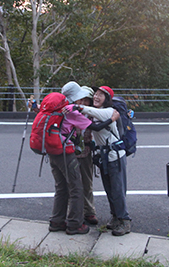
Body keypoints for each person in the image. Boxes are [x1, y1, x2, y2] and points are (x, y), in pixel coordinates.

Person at [28, 82, 119, 235]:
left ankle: (56, 221)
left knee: (61, 187)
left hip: (52, 152)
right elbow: (95, 127)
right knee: (76, 188)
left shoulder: (56, 107)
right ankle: (75, 224)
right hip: (65, 153)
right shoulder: (71, 111)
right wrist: (113, 118)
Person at [73, 86, 132, 236]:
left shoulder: (109, 111)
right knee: (109, 189)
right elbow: (92, 125)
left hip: (115, 156)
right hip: (104, 156)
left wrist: (76, 106)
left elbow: (92, 112)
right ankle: (115, 218)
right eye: (96, 94)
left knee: (118, 190)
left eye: (101, 95)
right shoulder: (95, 114)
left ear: (107, 99)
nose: (96, 97)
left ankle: (125, 221)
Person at [74, 86, 98, 225]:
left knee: (87, 183)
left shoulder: (92, 113)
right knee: (72, 184)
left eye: (86, 100)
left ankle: (89, 212)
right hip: (70, 152)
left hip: (86, 151)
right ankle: (73, 213)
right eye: (80, 99)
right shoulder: (69, 111)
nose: (82, 103)